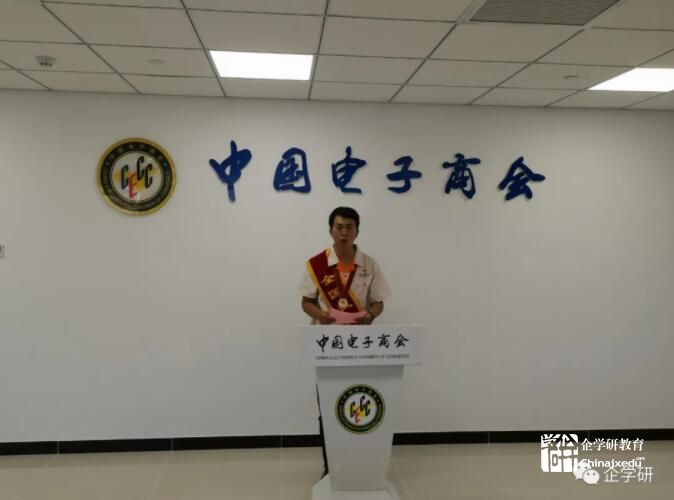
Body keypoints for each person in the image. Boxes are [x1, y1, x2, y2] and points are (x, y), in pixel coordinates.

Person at [298, 206, 391, 478]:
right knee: (329, 405)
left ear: (357, 231)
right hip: (328, 344)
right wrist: (322, 316)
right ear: (330, 230)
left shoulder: (370, 265)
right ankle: (331, 467)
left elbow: (378, 302)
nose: (344, 232)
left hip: (360, 345)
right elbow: (306, 302)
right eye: (339, 227)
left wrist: (370, 315)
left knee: (359, 399)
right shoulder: (317, 265)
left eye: (349, 227)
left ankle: (359, 463)